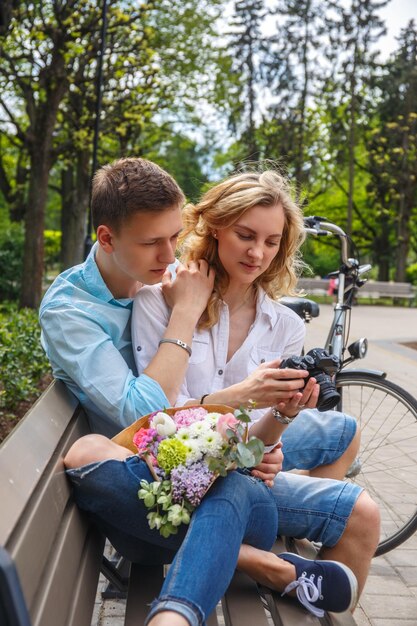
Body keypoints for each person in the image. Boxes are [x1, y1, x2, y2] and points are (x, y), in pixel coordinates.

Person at [41, 158, 379, 625]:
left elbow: (239, 437)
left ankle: (274, 550)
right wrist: (191, 317)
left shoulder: (169, 284)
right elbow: (149, 414)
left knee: (337, 433)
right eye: (152, 243)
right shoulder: (104, 308)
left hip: (213, 452)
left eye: (175, 237)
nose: (170, 256)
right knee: (91, 452)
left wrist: (273, 433)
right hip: (149, 469)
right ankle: (265, 563)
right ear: (106, 239)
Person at [131, 169, 359, 481]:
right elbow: (160, 420)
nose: (257, 253)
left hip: (248, 460)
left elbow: (261, 435)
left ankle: (290, 519)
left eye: (272, 242)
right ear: (216, 228)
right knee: (356, 510)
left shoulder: (288, 325)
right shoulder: (158, 302)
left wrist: (275, 434)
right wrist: (246, 397)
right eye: (246, 236)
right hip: (181, 467)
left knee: (345, 440)